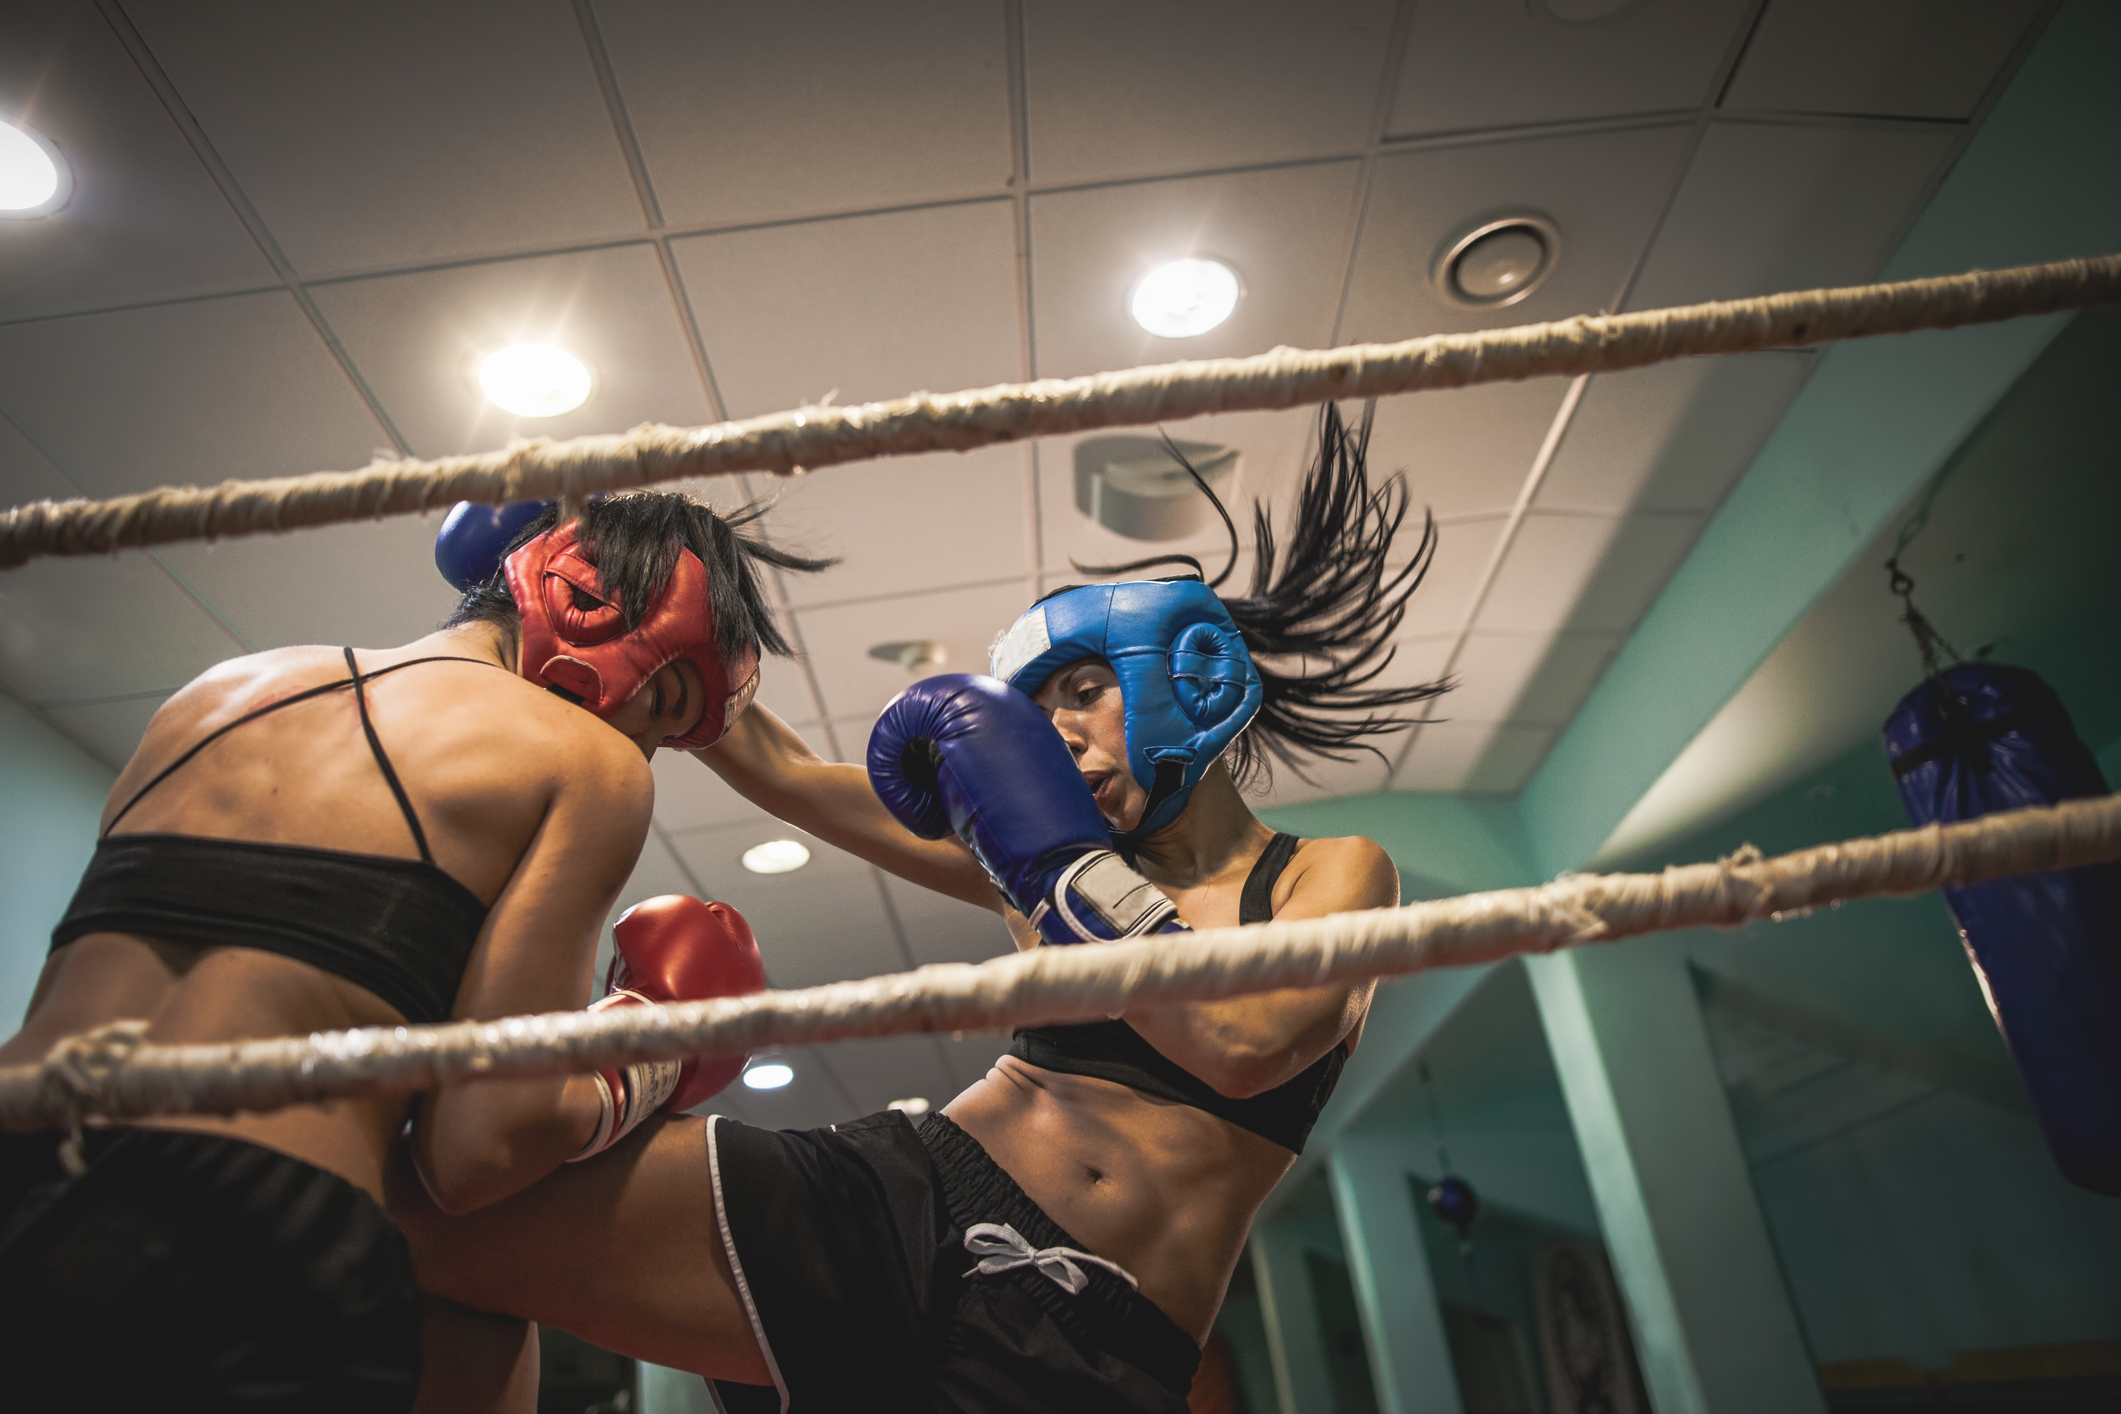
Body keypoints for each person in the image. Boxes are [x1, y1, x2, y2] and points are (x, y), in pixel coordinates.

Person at [394, 403, 1450, 1412]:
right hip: (900, 1201)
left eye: (1082, 692)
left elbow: (1244, 1041)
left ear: (1184, 679)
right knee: (431, 1212)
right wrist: (620, 584)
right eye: (1033, 719)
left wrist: (1058, 867)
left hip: (1087, 1326)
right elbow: (796, 776)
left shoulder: (1328, 872)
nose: (1058, 736)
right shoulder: (1025, 863)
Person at [0, 491, 824, 1412]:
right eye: (660, 709)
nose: (644, 746)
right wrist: (657, 1045)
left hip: (20, 1157)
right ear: (587, 607)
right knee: (478, 1288)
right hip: (237, 1225)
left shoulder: (215, 692)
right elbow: (476, 1153)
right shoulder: (586, 765)